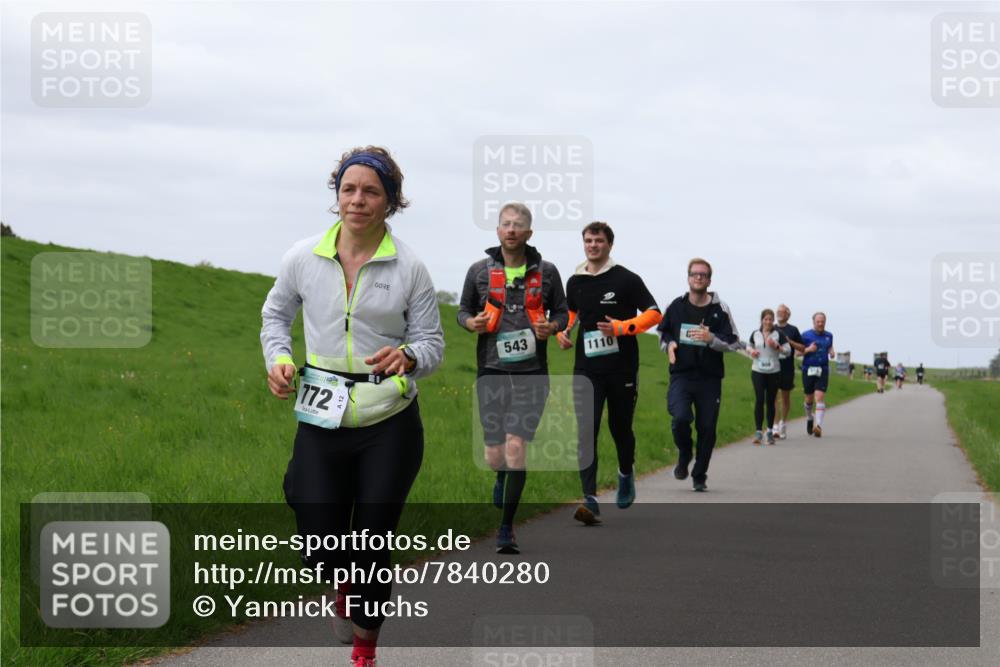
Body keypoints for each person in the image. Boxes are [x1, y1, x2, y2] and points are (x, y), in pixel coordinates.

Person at [260, 146, 444, 667]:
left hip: (389, 421)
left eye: (370, 191)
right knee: (316, 526)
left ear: (390, 203)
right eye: (348, 189)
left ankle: (364, 649)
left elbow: (431, 344)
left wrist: (407, 355)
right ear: (336, 194)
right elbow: (275, 316)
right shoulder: (302, 257)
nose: (357, 200)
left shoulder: (410, 267)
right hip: (322, 412)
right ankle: (339, 580)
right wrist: (279, 358)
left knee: (372, 538)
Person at [458, 202, 568, 553]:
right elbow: (463, 310)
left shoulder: (547, 272)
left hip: (532, 374)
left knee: (516, 448)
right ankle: (501, 475)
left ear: (529, 233)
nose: (511, 229)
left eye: (518, 225)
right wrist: (469, 322)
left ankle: (506, 529)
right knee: (495, 455)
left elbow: (563, 313)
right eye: (505, 224)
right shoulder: (478, 271)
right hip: (491, 371)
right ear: (497, 230)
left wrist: (552, 326)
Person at [556, 221, 661, 525]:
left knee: (620, 427)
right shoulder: (574, 280)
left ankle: (625, 473)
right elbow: (573, 313)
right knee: (586, 429)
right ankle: (589, 498)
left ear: (609, 245)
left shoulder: (627, 279)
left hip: (621, 367)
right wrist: (564, 331)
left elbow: (654, 313)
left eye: (599, 241)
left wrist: (622, 328)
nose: (593, 245)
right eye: (588, 240)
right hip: (586, 367)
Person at [657, 258, 742, 492]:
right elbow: (662, 332)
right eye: (694, 274)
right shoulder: (676, 306)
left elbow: (735, 342)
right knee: (680, 418)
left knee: (707, 428)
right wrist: (670, 345)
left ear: (709, 280)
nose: (698, 277)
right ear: (688, 277)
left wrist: (711, 339)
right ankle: (685, 453)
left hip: (709, 378)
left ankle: (699, 474)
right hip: (681, 375)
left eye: (703, 275)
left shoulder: (720, 309)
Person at [746, 309, 791, 446]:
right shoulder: (755, 333)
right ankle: (759, 432)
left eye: (771, 319)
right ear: (762, 320)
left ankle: (770, 431)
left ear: (773, 321)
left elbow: (788, 351)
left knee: (770, 401)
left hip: (774, 371)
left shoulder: (779, 334)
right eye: (766, 319)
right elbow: (748, 345)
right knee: (759, 399)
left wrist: (777, 346)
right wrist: (751, 351)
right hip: (758, 370)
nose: (768, 322)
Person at [773, 304, 806, 439]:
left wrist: (790, 342)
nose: (779, 313)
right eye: (778, 311)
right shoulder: (772, 327)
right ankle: (774, 425)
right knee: (773, 396)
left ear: (788, 315)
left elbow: (802, 348)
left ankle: (783, 423)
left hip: (787, 367)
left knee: (785, 397)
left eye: (782, 312)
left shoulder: (793, 329)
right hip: (772, 366)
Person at [801, 313, 835, 437]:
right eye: (818, 322)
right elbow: (797, 353)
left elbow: (830, 346)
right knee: (809, 399)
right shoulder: (805, 335)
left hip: (823, 369)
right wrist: (808, 349)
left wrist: (831, 352)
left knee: (819, 396)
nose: (820, 324)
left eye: (822, 322)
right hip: (808, 369)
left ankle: (819, 426)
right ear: (813, 322)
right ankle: (810, 418)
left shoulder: (829, 335)